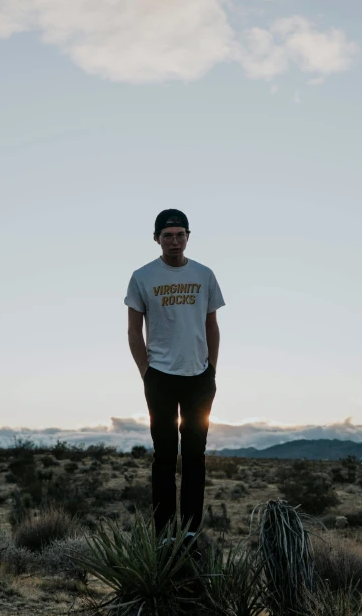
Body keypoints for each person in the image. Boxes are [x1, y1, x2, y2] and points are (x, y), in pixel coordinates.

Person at [124, 209, 225, 550]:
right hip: (161, 376)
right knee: (165, 455)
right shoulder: (143, 277)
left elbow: (211, 325)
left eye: (180, 234)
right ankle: (164, 532)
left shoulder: (205, 275)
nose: (174, 241)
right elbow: (133, 330)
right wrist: (146, 372)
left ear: (188, 237)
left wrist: (211, 369)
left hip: (198, 376)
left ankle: (191, 531)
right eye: (167, 235)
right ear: (157, 238)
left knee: (195, 455)